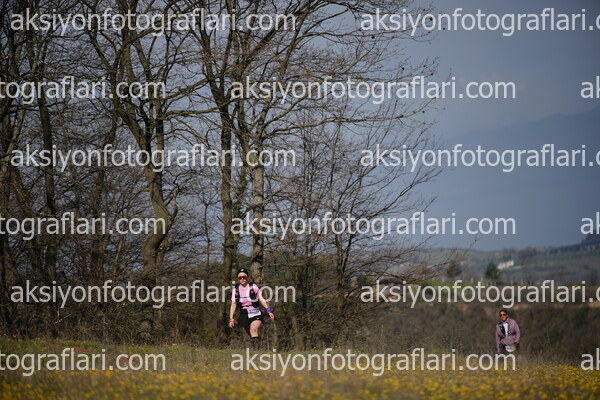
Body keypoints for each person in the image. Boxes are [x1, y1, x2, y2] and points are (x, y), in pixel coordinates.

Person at [228, 268, 275, 349]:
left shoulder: (253, 287)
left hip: (255, 311)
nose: (242, 279)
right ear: (238, 278)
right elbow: (233, 304)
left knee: (253, 329)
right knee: (250, 333)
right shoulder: (236, 290)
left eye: (244, 277)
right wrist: (231, 319)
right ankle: (256, 349)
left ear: (247, 277)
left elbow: (261, 299)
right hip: (244, 313)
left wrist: (269, 310)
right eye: (240, 277)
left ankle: (256, 351)